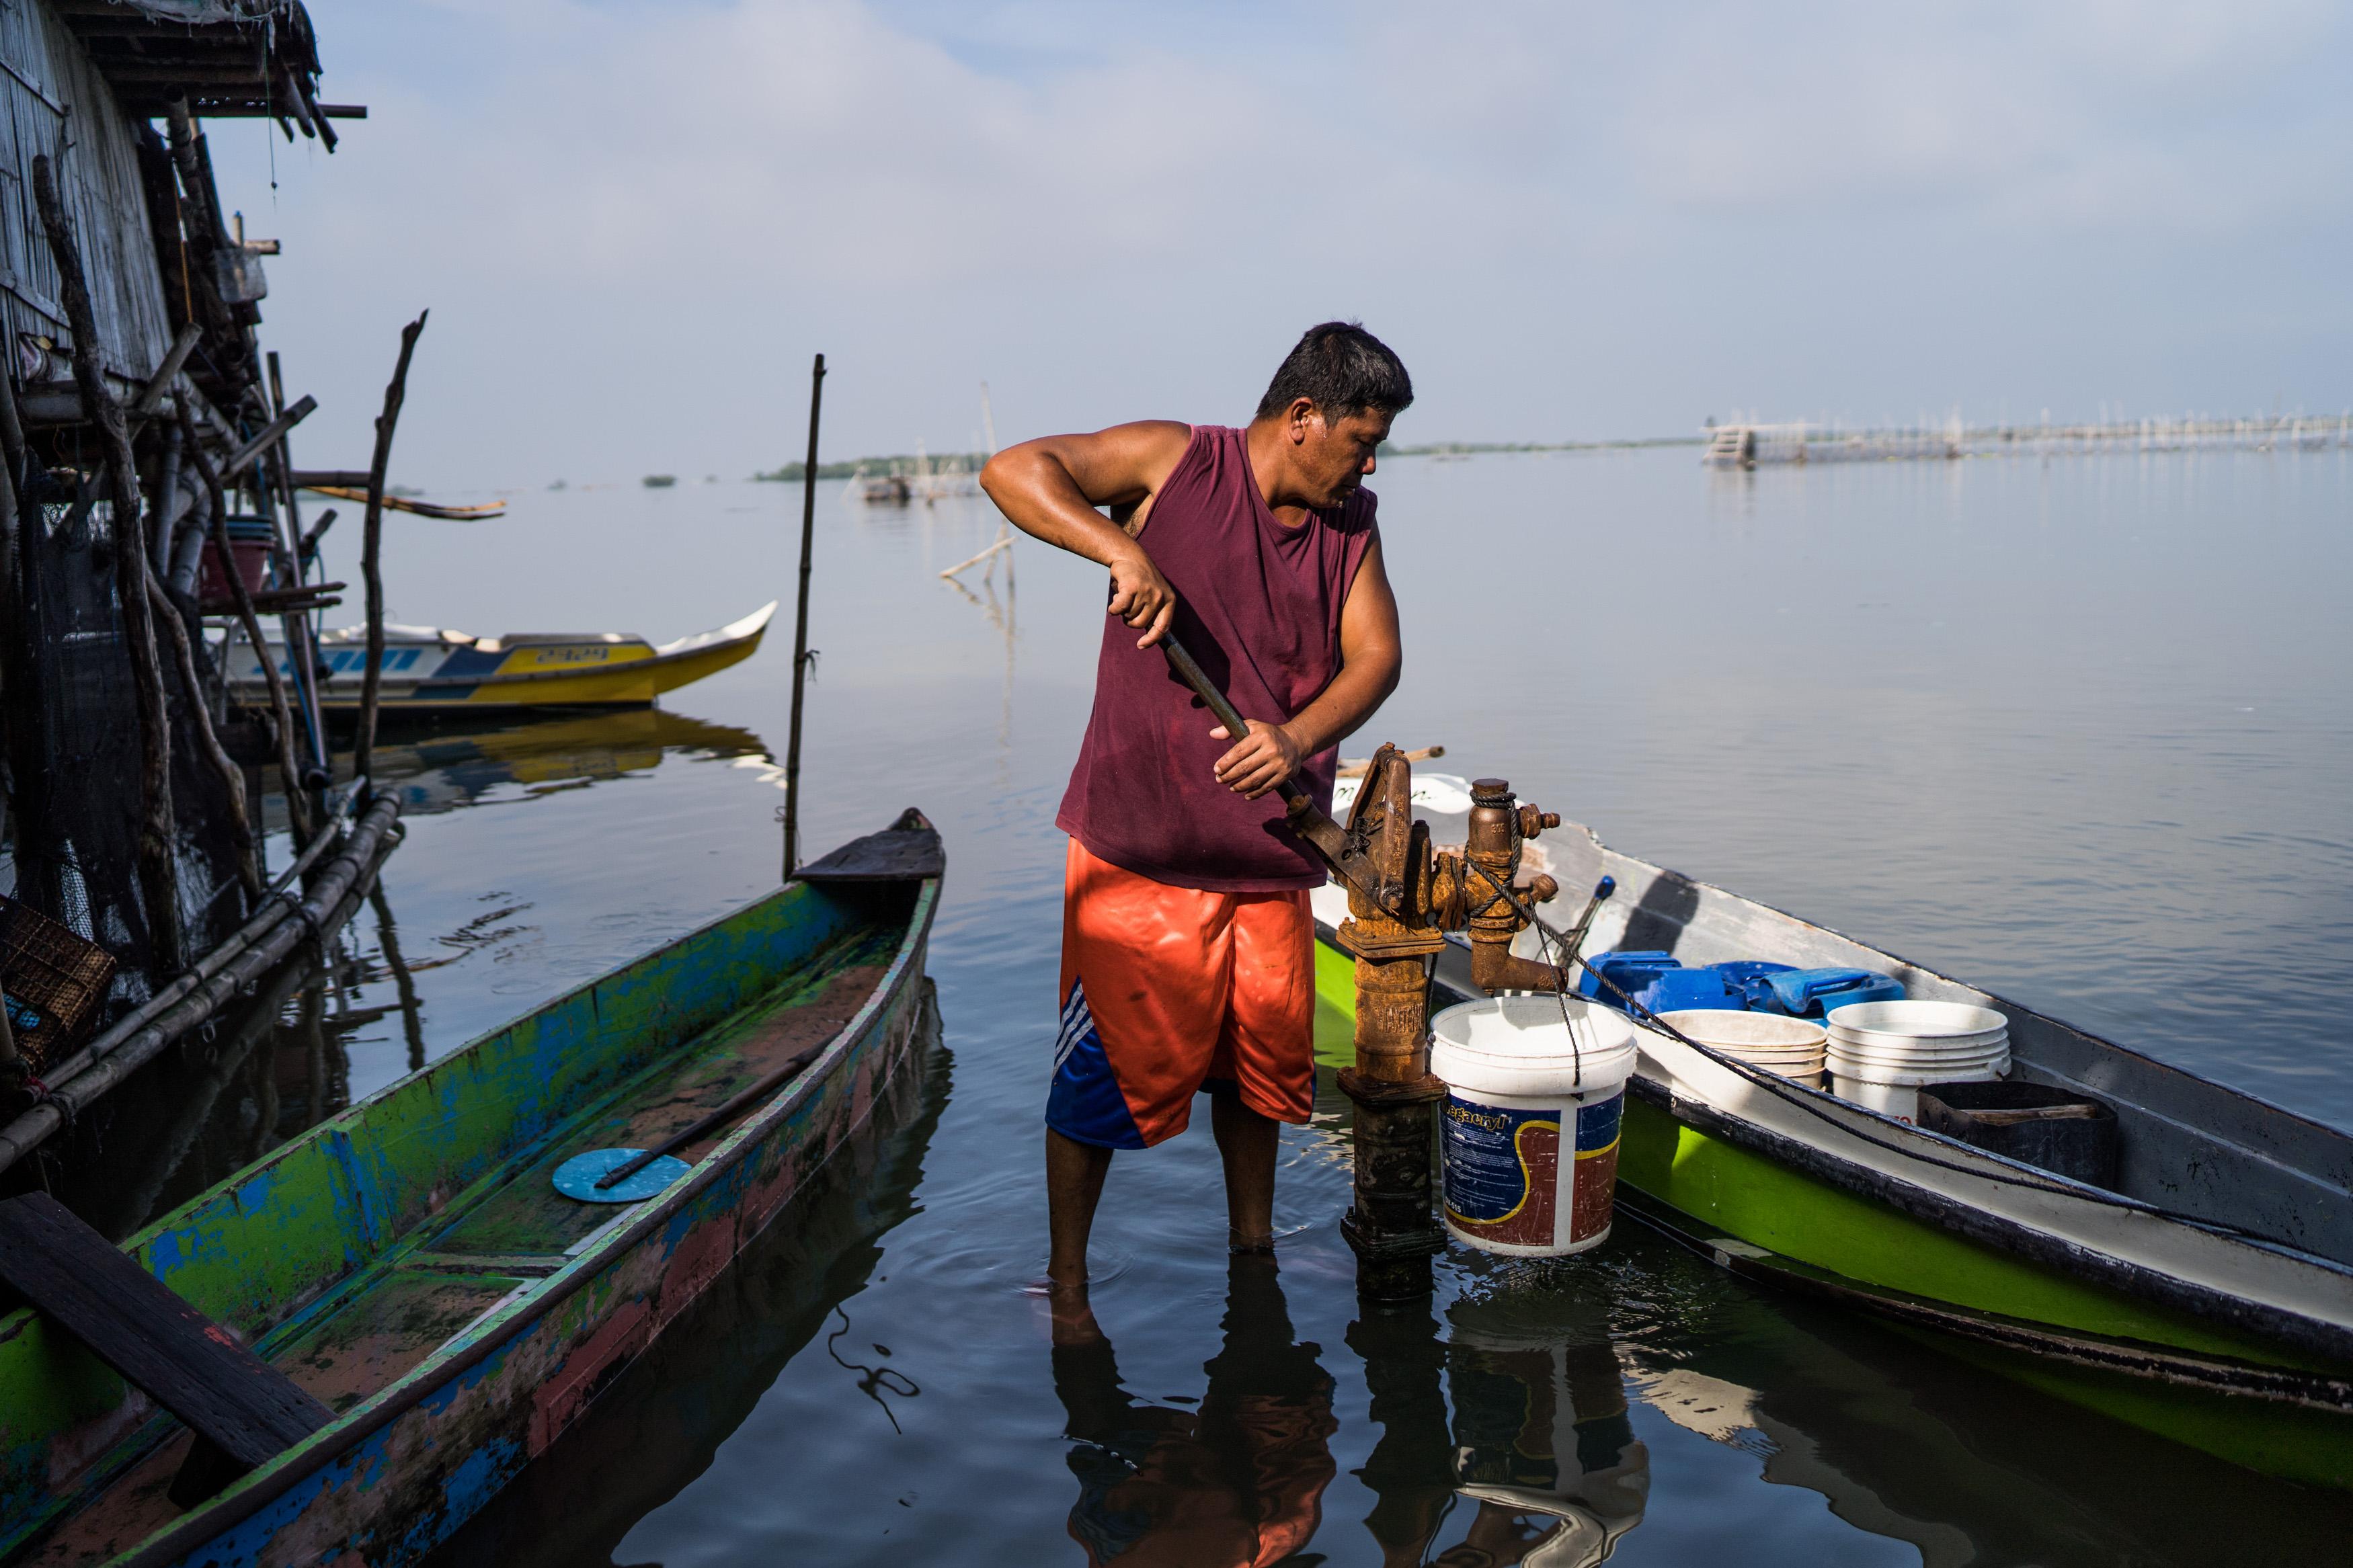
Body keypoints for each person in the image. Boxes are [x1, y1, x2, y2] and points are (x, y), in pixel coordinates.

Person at [980, 322, 1411, 1293]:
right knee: (1097, 1084)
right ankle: (1067, 1284)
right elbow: (1013, 470)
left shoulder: (1354, 522)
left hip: (1269, 856)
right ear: (1303, 418)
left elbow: (1378, 655)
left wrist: (1296, 739)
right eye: (1361, 439)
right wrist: (1117, 551)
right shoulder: (1176, 462)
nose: (1370, 461)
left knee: (1256, 1076)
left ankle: (1251, 1248)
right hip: (1142, 856)